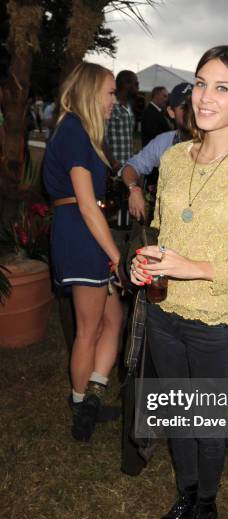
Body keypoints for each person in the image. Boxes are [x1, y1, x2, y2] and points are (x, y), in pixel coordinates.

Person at [130, 45, 228, 519]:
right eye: (200, 83)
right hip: (163, 311)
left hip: (216, 321)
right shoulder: (172, 158)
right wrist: (145, 261)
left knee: (206, 426)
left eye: (222, 87)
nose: (205, 96)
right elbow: (165, 230)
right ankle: (186, 494)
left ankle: (207, 503)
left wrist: (194, 268)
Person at [43, 62, 123, 442]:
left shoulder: (78, 130)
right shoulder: (74, 128)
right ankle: (81, 406)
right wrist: (117, 255)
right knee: (89, 329)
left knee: (113, 320)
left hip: (81, 231)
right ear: (92, 92)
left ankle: (92, 395)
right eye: (110, 92)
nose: (114, 101)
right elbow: (89, 205)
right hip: (82, 232)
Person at [121, 82, 193, 222]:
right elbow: (132, 166)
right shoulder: (164, 142)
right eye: (184, 106)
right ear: (171, 112)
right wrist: (133, 189)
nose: (192, 111)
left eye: (196, 105)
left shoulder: (215, 142)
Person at [106, 70, 139, 171]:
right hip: (112, 168)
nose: (138, 87)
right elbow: (100, 138)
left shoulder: (129, 107)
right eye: (136, 84)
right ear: (126, 84)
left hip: (126, 167)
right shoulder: (110, 106)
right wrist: (113, 162)